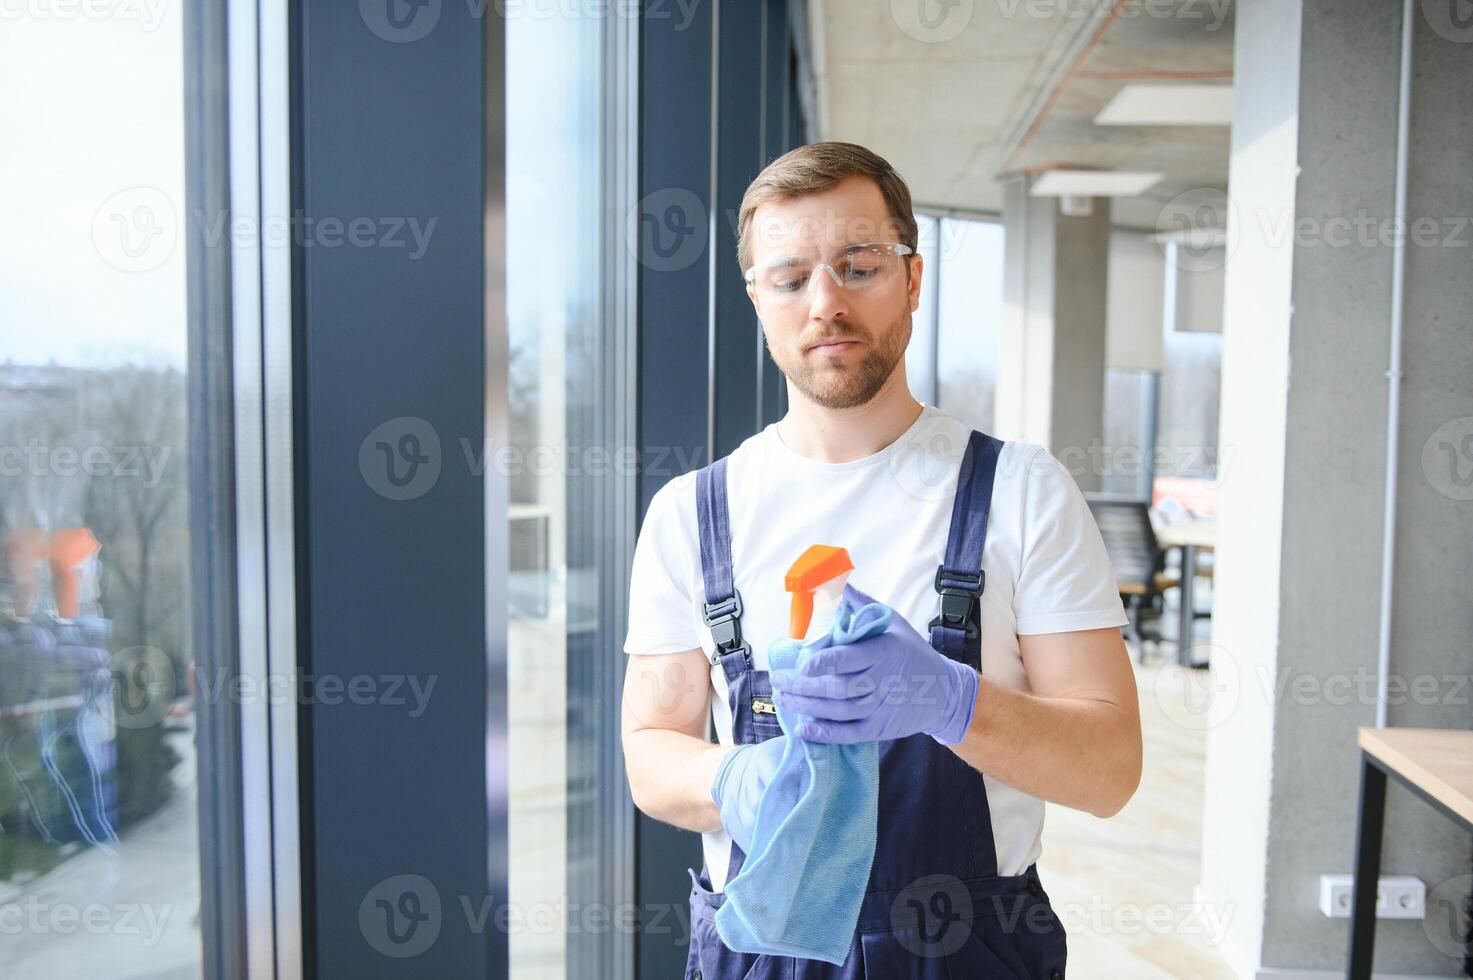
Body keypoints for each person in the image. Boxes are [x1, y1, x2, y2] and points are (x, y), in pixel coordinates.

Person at [620, 141, 1142, 978]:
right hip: (758, 955)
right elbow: (650, 749)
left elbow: (1110, 770)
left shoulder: (1018, 491)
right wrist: (737, 780)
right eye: (789, 278)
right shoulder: (690, 515)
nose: (824, 302)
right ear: (757, 298)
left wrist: (951, 701)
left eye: (857, 266)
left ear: (912, 278)